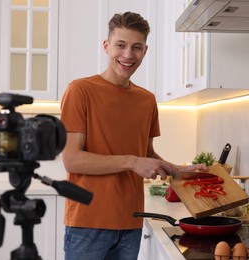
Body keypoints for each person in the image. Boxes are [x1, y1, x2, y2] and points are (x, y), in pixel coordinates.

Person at [60, 11, 207, 260]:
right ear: (106, 46)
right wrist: (132, 161)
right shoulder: (80, 90)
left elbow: (145, 154)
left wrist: (177, 171)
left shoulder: (146, 100)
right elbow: (72, 160)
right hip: (88, 223)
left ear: (145, 51)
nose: (128, 55)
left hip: (131, 222)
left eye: (136, 47)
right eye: (121, 45)